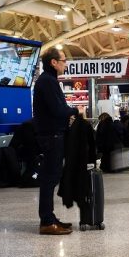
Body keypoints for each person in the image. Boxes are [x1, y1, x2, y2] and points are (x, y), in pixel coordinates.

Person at [33, 46, 81, 236]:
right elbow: (58, 110)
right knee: (49, 179)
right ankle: (46, 221)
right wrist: (75, 111)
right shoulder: (47, 82)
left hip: (53, 135)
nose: (65, 64)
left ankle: (50, 217)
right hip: (51, 136)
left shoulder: (49, 81)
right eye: (63, 60)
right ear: (53, 62)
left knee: (51, 177)